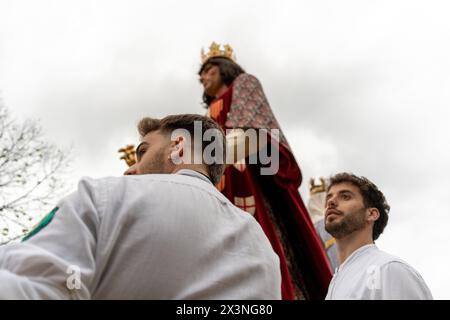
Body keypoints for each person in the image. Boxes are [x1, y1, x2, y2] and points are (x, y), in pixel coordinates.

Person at [0, 114, 281, 299]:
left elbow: (30, 288)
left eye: (143, 152)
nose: (130, 171)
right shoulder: (265, 253)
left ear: (179, 146)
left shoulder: (107, 197)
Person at [198, 43, 332, 299]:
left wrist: (228, 150)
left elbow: (255, 130)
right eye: (201, 75)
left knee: (265, 246)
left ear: (225, 69)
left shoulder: (244, 84)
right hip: (219, 184)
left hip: (249, 179)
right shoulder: (206, 112)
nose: (203, 77)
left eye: (209, 70)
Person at [324, 172, 433, 300]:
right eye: (329, 198)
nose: (331, 202)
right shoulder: (335, 282)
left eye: (345, 197)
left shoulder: (389, 269)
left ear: (371, 214)